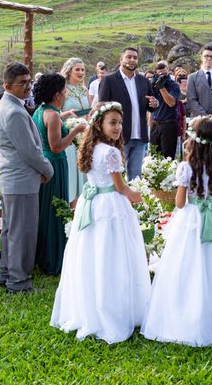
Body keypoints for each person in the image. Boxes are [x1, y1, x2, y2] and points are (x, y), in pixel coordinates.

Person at [141, 117, 212, 346]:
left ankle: (184, 313)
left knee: (188, 265)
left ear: (194, 140)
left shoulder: (185, 168)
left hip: (191, 221)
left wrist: (195, 198)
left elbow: (180, 203)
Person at [51, 101, 150, 343]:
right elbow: (119, 186)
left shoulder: (91, 147)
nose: (117, 127)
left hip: (91, 204)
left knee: (93, 253)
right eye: (112, 123)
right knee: (114, 253)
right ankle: (115, 308)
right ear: (99, 124)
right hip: (110, 206)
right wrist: (136, 195)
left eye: (119, 123)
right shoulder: (111, 152)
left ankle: (90, 306)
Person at [0, 63, 54, 293]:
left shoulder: (8, 106)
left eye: (30, 81)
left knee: (11, 229)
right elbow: (29, 150)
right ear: (7, 85)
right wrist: (48, 170)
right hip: (20, 179)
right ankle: (19, 282)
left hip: (13, 178)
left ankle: (7, 273)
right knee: (23, 232)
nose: (28, 87)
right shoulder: (14, 112)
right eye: (22, 83)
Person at [32, 73, 87, 275]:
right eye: (64, 92)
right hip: (55, 163)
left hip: (45, 162)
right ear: (56, 95)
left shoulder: (41, 110)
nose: (65, 95)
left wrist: (65, 116)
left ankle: (43, 254)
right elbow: (56, 147)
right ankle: (54, 258)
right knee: (56, 209)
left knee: (47, 208)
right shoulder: (53, 115)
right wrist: (76, 131)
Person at [98, 47, 158, 179]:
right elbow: (101, 108)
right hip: (118, 136)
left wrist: (154, 104)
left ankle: (134, 200)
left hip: (140, 135)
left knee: (136, 177)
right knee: (116, 175)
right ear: (121, 59)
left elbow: (151, 105)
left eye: (135, 58)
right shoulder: (109, 80)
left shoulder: (143, 81)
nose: (132, 60)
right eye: (128, 57)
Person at [59, 58, 90, 203]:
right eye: (77, 69)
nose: (80, 72)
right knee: (72, 173)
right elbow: (54, 114)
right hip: (69, 137)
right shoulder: (62, 90)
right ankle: (71, 205)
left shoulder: (84, 89)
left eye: (82, 70)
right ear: (69, 71)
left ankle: (83, 205)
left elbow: (88, 114)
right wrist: (68, 114)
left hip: (84, 136)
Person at [149, 61, 180, 159]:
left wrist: (161, 87)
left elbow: (171, 103)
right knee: (154, 157)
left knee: (168, 157)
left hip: (169, 124)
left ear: (168, 71)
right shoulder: (152, 84)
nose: (162, 76)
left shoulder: (173, 85)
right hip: (155, 123)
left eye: (165, 74)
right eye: (160, 74)